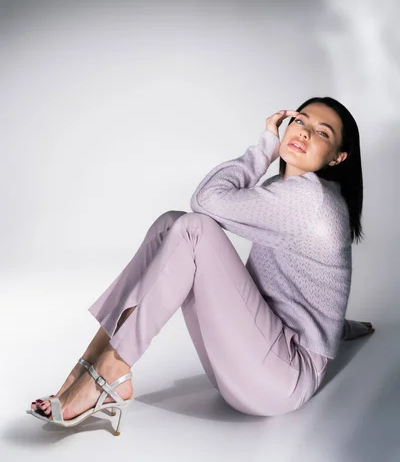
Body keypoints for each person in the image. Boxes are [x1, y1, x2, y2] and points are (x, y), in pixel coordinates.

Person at [27, 96, 374, 434]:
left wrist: (265, 149)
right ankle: (89, 365)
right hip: (255, 364)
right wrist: (340, 327)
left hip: (279, 381)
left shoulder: (307, 199)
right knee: (171, 224)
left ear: (337, 158)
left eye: (323, 133)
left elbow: (205, 200)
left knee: (193, 229)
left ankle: (110, 370)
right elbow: (313, 287)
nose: (304, 133)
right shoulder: (289, 192)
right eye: (300, 121)